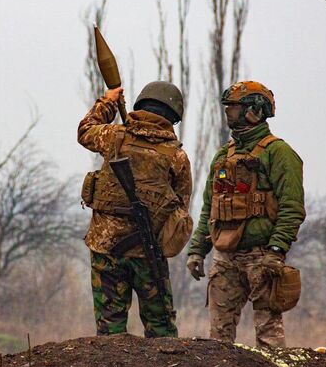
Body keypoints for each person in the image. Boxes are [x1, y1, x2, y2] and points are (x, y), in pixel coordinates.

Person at [186, 81, 305, 347]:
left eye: (234, 107)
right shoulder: (223, 155)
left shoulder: (279, 153)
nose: (228, 112)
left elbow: (292, 207)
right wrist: (197, 250)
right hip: (225, 256)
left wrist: (276, 250)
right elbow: (210, 207)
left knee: (269, 337)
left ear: (254, 110)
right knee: (219, 339)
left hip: (262, 256)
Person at [77, 81, 192, 338]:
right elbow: (180, 210)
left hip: (106, 248)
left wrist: (107, 102)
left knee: (110, 329)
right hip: (148, 252)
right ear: (173, 117)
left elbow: (85, 130)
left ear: (140, 106)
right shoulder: (177, 157)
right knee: (161, 330)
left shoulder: (113, 136)